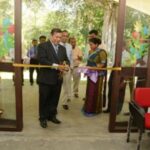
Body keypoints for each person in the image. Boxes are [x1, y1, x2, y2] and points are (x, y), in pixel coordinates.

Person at [37, 28, 70, 128]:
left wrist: (67, 66)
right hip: (45, 79)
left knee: (54, 99)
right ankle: (43, 118)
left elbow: (66, 60)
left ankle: (52, 116)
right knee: (44, 99)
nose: (58, 39)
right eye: (56, 37)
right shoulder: (42, 46)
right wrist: (57, 66)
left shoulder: (62, 48)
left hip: (58, 78)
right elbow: (42, 60)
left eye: (60, 37)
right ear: (51, 36)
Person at [83, 37, 107, 116]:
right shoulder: (90, 51)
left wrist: (93, 67)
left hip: (98, 75)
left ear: (97, 44)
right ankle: (87, 108)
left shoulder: (102, 52)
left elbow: (102, 64)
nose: (90, 46)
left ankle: (95, 110)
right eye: (89, 44)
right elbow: (88, 63)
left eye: (91, 44)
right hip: (90, 74)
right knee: (89, 91)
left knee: (95, 92)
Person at [60, 30, 73, 110]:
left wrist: (70, 66)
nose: (65, 37)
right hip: (58, 68)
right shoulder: (57, 44)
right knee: (56, 85)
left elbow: (70, 57)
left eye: (66, 36)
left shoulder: (69, 46)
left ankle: (64, 102)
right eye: (63, 35)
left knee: (66, 85)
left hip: (67, 68)